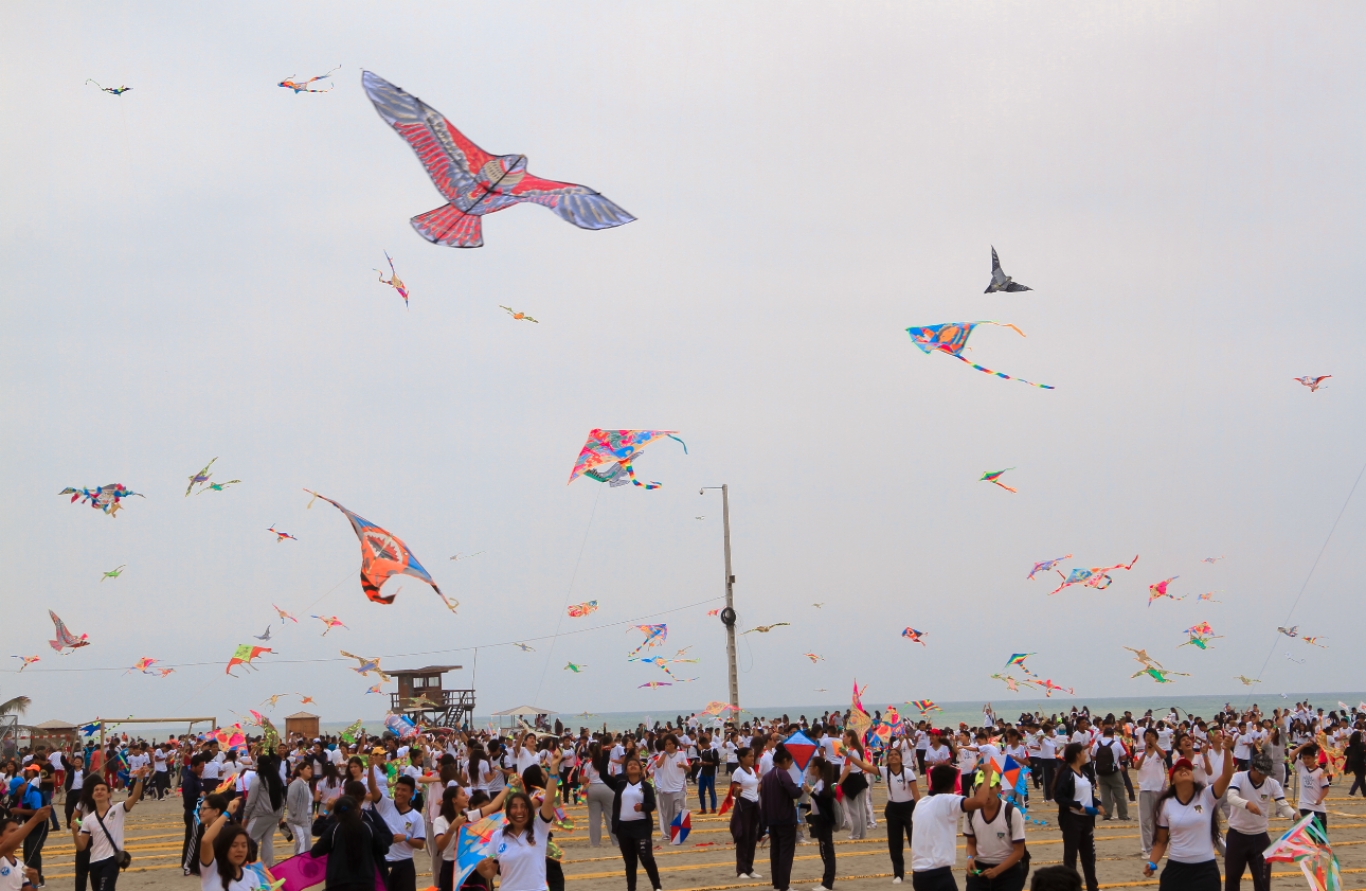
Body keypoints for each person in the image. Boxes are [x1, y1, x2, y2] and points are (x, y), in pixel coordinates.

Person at [1143, 733, 1235, 890]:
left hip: (1206, 869)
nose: (1184, 770)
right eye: (1179, 769)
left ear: (1193, 777)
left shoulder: (1206, 796)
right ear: (1172, 780)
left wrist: (1226, 750)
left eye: (1187, 768)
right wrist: (1152, 863)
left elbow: (1226, 776)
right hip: (1176, 869)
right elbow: (1161, 842)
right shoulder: (1166, 804)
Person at [474, 748, 563, 891]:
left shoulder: (539, 829)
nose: (519, 811)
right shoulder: (498, 836)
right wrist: (480, 868)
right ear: (508, 813)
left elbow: (549, 799)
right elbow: (491, 872)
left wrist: (553, 768)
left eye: (523, 806)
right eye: (514, 807)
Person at [910, 762, 994, 891]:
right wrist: (988, 774)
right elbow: (979, 801)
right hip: (938, 874)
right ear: (953, 785)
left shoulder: (921, 803)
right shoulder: (947, 800)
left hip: (918, 874)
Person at [1223, 750, 1295, 891]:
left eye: (1266, 774)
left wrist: (1295, 816)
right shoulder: (1239, 777)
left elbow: (1283, 805)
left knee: (1263, 882)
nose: (1263, 777)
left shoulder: (1272, 784)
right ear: (1252, 768)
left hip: (1260, 838)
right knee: (1232, 879)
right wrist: (1247, 804)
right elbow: (1231, 797)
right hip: (1237, 836)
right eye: (1260, 773)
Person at [74, 768, 147, 891]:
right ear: (92, 795)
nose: (99, 791)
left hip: (111, 860)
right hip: (94, 861)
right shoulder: (88, 820)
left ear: (109, 794)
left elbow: (135, 796)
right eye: (96, 790)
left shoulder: (118, 809)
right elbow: (81, 847)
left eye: (103, 789)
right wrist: (74, 832)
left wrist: (139, 779)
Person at [603, 756, 662, 891]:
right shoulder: (620, 785)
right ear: (626, 770)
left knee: (646, 858)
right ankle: (631, 888)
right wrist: (605, 755)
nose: (633, 766)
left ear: (641, 770)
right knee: (630, 862)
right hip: (623, 828)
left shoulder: (646, 786)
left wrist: (642, 807)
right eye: (629, 765)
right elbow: (603, 775)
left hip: (641, 827)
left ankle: (657, 886)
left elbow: (651, 805)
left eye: (636, 764)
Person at [432, 785, 507, 891]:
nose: (467, 796)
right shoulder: (440, 821)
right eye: (463, 795)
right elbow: (440, 845)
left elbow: (493, 806)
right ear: (454, 800)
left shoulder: (469, 816)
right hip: (451, 867)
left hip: (470, 865)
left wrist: (509, 786)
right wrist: (452, 827)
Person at [963, 770, 1027, 891]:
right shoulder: (971, 812)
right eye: (981, 787)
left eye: (990, 787)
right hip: (980, 870)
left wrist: (997, 870)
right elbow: (971, 843)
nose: (986, 792)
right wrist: (970, 858)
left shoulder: (1011, 812)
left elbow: (1019, 852)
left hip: (1008, 871)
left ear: (999, 788)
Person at [311, 794, 391, 891]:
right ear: (357, 809)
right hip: (365, 882)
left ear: (336, 814)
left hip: (338, 882)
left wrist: (325, 812)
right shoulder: (368, 827)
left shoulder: (334, 829)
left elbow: (315, 852)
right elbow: (384, 849)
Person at [1052, 743, 1102, 891]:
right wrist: (1076, 805)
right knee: (1071, 857)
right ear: (1077, 755)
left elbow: (1088, 795)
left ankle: (1093, 887)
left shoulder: (1085, 773)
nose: (1086, 754)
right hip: (1072, 820)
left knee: (1089, 857)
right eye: (1083, 752)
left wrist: (1098, 804)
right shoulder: (1067, 774)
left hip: (1087, 820)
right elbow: (1059, 796)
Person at [368, 771, 426, 891]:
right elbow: (373, 787)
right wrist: (371, 768)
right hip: (384, 863)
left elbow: (420, 844)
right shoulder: (385, 804)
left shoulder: (416, 817)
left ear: (411, 793)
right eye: (397, 789)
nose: (399, 793)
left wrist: (406, 838)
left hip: (405, 865)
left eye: (403, 790)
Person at [758, 745, 802, 891]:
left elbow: (764, 800)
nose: (791, 764)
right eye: (790, 761)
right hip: (785, 818)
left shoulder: (767, 777)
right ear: (784, 760)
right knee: (786, 852)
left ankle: (777, 883)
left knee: (775, 851)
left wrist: (764, 821)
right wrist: (801, 788)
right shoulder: (782, 774)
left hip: (772, 819)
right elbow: (794, 792)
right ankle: (784, 885)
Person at [881, 746, 921, 884]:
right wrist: (849, 755)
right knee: (895, 844)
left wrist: (919, 809)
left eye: (896, 754)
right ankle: (898, 874)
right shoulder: (884, 771)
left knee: (914, 842)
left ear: (901, 758)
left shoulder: (908, 772)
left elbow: (915, 792)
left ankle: (918, 871)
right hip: (893, 809)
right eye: (891, 755)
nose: (893, 756)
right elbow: (864, 766)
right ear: (887, 759)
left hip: (909, 808)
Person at [198, 798, 255, 891]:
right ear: (225, 847)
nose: (240, 850)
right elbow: (205, 841)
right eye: (234, 845)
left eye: (244, 845)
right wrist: (227, 813)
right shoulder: (211, 871)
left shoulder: (252, 877)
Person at [241, 753, 286, 866]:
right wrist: (281, 815)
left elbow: (251, 801)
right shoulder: (277, 779)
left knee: (250, 840)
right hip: (275, 815)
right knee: (267, 840)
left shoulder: (258, 780)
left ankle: (247, 865)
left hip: (261, 815)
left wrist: (245, 816)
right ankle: (267, 867)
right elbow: (282, 799)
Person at [803, 755, 839, 891]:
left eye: (811, 766)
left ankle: (827, 883)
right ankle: (825, 880)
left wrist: (810, 792)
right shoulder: (819, 783)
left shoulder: (823, 784)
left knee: (826, 851)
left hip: (824, 820)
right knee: (824, 850)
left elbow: (824, 803)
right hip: (819, 819)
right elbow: (816, 804)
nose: (810, 769)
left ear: (817, 768)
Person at [727, 747, 762, 880]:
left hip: (754, 804)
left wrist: (762, 785)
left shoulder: (752, 770)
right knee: (744, 837)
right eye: (749, 756)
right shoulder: (738, 772)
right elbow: (734, 791)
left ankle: (749, 868)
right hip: (744, 805)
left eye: (753, 756)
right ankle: (741, 870)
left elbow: (754, 787)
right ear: (742, 758)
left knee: (752, 837)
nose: (752, 758)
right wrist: (738, 790)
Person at [0, 806, 53, 891]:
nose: (18, 833)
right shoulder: (2, 858)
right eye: (13, 831)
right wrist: (35, 819)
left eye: (18, 830)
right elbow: (7, 845)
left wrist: (35, 883)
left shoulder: (20, 865)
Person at [1133, 729, 1166, 860]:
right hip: (1145, 789)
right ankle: (1146, 849)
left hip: (1159, 789)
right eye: (1147, 735)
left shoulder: (1159, 752)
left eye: (1152, 735)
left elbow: (1164, 756)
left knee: (1157, 820)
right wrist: (1145, 752)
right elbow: (1136, 766)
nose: (1149, 738)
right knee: (1145, 821)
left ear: (1156, 738)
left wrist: (1154, 745)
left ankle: (1156, 847)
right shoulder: (1139, 753)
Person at [650, 736, 689, 845]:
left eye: (670, 744)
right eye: (666, 744)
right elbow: (658, 765)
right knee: (668, 815)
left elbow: (689, 768)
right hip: (666, 788)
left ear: (674, 744)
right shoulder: (662, 754)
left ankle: (677, 837)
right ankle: (671, 834)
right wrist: (665, 753)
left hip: (679, 787)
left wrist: (682, 765)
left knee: (678, 811)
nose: (668, 746)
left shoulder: (681, 754)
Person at [840, 732, 876, 842]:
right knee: (860, 809)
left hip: (851, 781)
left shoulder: (850, 752)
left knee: (852, 810)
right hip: (860, 778)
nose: (842, 738)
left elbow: (847, 768)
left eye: (844, 736)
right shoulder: (858, 750)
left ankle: (855, 834)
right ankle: (861, 833)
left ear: (850, 737)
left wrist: (839, 782)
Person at [1090, 723, 1128, 822]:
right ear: (1112, 735)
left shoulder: (1097, 744)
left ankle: (1107, 815)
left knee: (1105, 795)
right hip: (1114, 772)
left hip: (1101, 773)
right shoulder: (1116, 744)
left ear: (1103, 734)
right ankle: (1123, 815)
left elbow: (1093, 757)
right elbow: (1124, 756)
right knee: (1119, 795)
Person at [1289, 742, 1329, 833]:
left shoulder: (1320, 772)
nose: (1306, 760)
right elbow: (1292, 755)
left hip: (1318, 807)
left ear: (1314, 758)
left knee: (1321, 835)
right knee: (1310, 834)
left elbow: (1326, 788)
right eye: (1304, 758)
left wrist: (1320, 798)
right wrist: (1303, 746)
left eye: (1308, 758)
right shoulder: (1301, 767)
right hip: (1304, 806)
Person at [583, 743, 615, 848]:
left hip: (593, 789)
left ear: (590, 751)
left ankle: (595, 843)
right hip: (607, 788)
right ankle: (615, 842)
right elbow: (613, 776)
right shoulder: (609, 762)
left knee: (594, 818)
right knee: (610, 817)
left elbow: (582, 779)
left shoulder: (589, 764)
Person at [285, 762, 313, 857]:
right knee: (303, 841)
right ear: (301, 770)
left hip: (305, 818)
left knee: (304, 841)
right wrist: (296, 815)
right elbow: (291, 800)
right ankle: (301, 861)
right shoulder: (297, 784)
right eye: (308, 768)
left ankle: (301, 860)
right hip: (298, 820)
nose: (310, 770)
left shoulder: (305, 784)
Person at [697, 735, 719, 815]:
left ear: (705, 743)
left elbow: (717, 763)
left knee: (711, 791)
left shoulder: (713, 751)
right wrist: (701, 763)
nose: (702, 747)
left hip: (710, 774)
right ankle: (703, 808)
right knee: (700, 791)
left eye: (702, 745)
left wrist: (706, 763)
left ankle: (713, 808)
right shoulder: (703, 751)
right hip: (703, 773)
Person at [1346, 731, 1366, 798]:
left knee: (1361, 779)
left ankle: (1364, 793)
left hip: (1353, 764)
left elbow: (1346, 752)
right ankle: (1351, 792)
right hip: (1360, 764)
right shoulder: (1361, 745)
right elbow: (1363, 753)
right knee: (1359, 778)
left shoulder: (1351, 745)